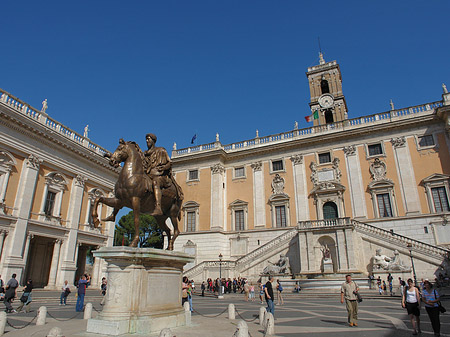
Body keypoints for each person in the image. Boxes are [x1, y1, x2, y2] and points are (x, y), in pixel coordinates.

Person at [144, 133, 182, 216]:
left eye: (148, 139)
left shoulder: (161, 150)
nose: (147, 141)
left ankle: (158, 207)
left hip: (160, 176)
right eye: (146, 139)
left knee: (155, 182)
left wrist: (164, 167)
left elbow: (169, 163)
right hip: (148, 175)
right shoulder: (145, 154)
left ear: (153, 140)